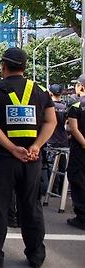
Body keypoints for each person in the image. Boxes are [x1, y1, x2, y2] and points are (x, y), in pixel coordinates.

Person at [0, 47, 56, 268]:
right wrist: (36, 146)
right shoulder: (41, 92)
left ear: (3, 65)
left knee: (0, 205)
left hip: (3, 159)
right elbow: (51, 121)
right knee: (31, 205)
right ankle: (36, 255)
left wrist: (12, 148)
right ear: (24, 67)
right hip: (32, 159)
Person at [65, 74, 85, 230]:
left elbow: (73, 128)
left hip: (80, 151)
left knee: (77, 179)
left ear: (81, 86)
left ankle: (82, 216)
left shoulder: (77, 107)